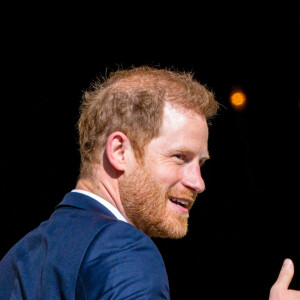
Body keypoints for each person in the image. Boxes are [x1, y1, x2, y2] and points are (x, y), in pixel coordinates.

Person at [0, 66, 298, 299]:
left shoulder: (18, 258)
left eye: (201, 163)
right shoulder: (124, 250)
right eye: (180, 156)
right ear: (119, 152)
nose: (199, 182)